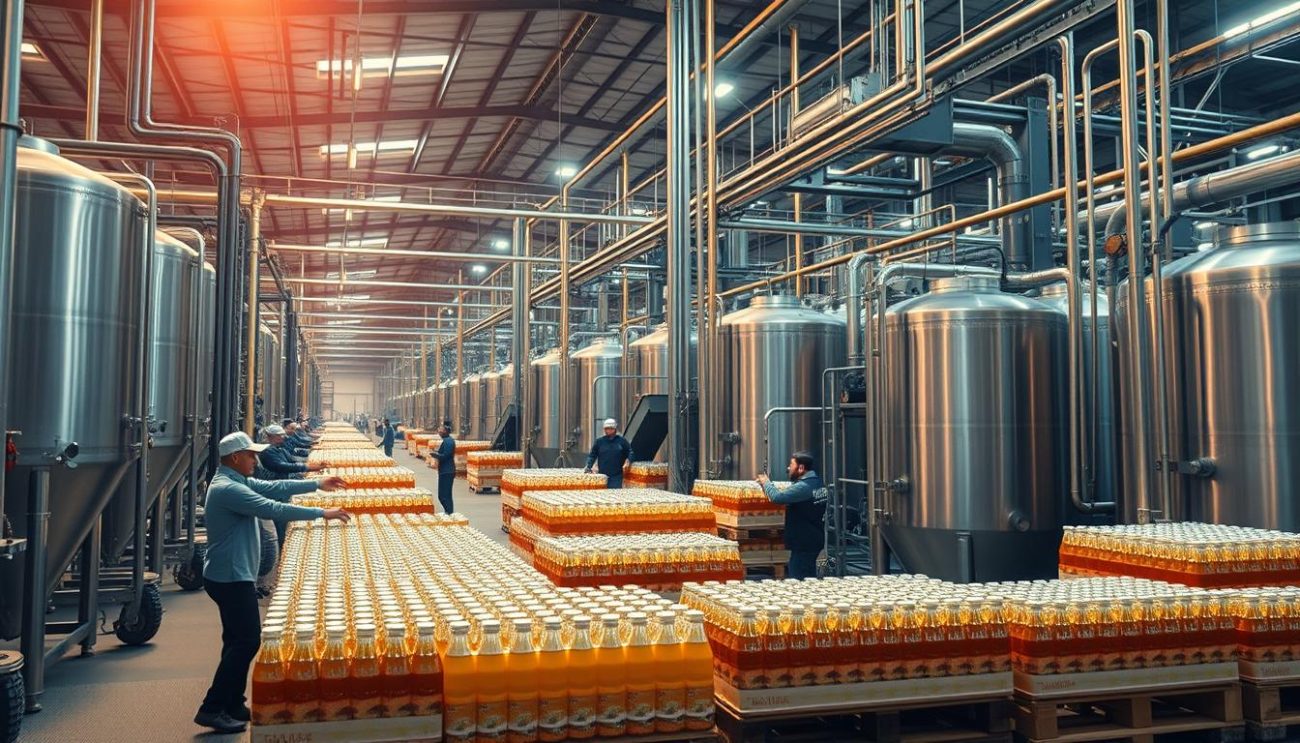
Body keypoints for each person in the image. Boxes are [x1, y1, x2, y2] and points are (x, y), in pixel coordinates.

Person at [195, 431, 351, 734]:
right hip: (230, 578)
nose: (256, 460)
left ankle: (233, 702)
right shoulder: (228, 489)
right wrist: (322, 512)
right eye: (251, 455)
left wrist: (316, 483)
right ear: (236, 458)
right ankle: (212, 708)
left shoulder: (235, 480)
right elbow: (273, 508)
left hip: (231, 575)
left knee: (236, 641)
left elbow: (275, 486)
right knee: (247, 641)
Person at [756, 450, 827, 580]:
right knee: (809, 578)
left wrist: (766, 482)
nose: (788, 468)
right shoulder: (818, 483)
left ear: (801, 468)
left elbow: (777, 497)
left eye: (791, 464)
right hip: (813, 539)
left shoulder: (804, 487)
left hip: (804, 543)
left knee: (799, 580)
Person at [583, 418, 634, 488]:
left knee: (615, 494)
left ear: (615, 429)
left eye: (610, 429)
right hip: (602, 475)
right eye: (606, 429)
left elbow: (630, 452)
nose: (608, 431)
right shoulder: (599, 442)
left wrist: (628, 461)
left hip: (617, 476)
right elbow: (592, 455)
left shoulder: (621, 441)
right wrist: (588, 466)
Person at [429, 421, 456, 514]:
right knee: (446, 495)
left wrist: (435, 454)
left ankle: (449, 512)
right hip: (445, 471)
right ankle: (449, 512)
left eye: (441, 430)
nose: (439, 432)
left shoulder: (448, 441)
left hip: (447, 471)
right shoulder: (447, 441)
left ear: (446, 431)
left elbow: (445, 455)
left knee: (443, 495)